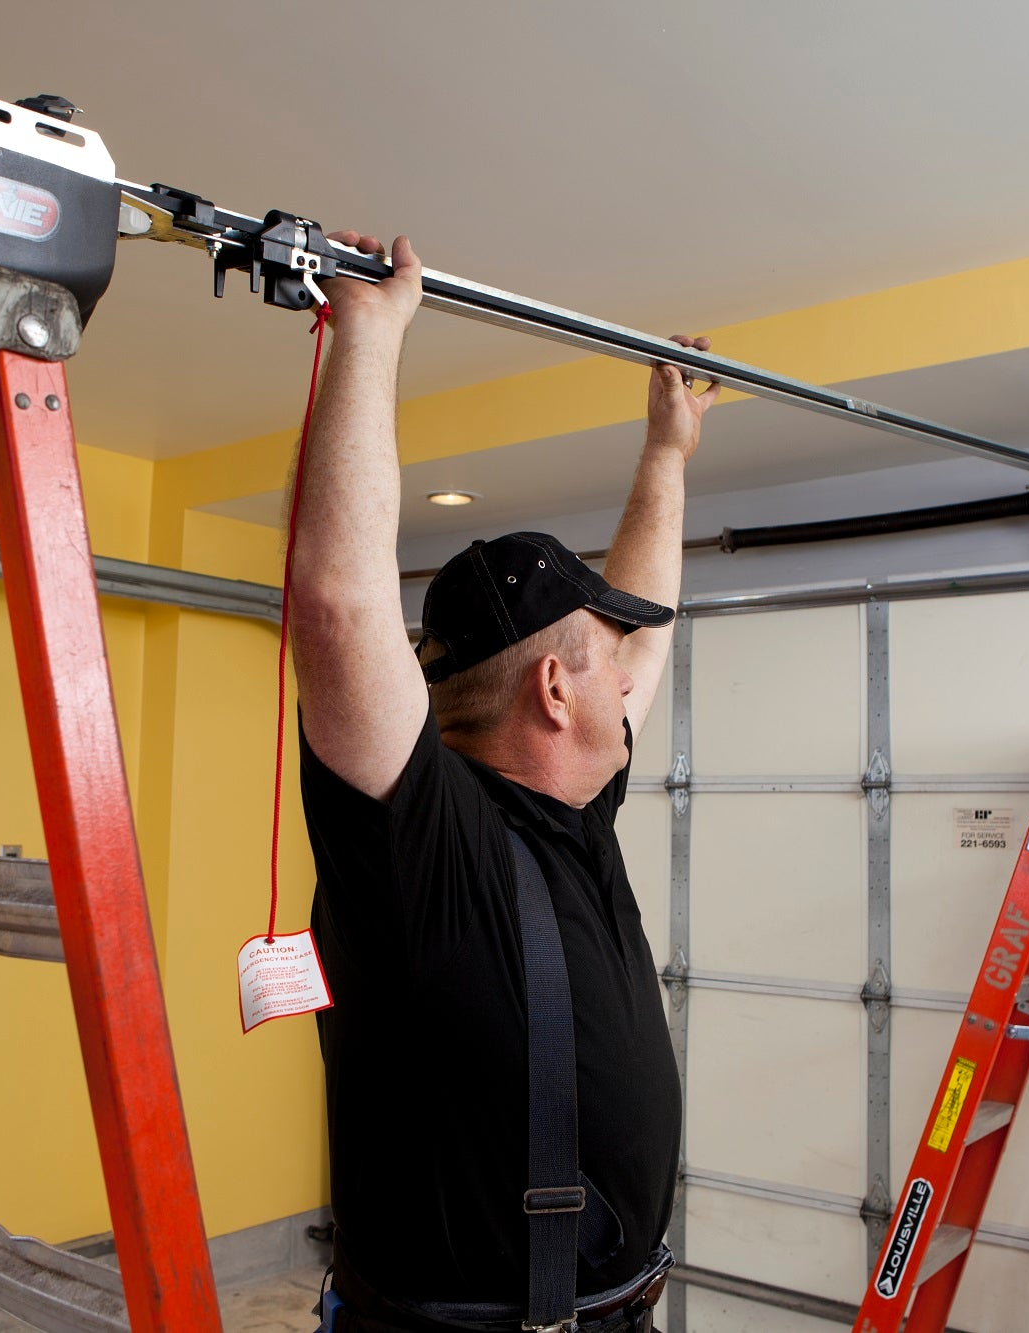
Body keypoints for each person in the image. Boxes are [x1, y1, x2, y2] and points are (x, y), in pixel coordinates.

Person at [289, 229, 718, 1333]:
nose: (636, 675)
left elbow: (647, 630)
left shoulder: (571, 812)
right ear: (553, 691)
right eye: (604, 653)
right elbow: (340, 609)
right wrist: (367, 334)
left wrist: (665, 456)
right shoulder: (423, 843)